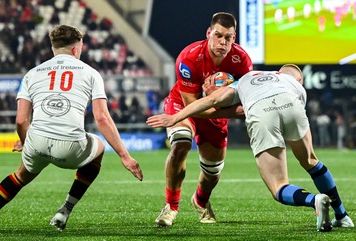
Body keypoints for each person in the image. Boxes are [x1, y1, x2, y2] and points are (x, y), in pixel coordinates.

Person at [0, 25, 143, 234]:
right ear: (76, 49)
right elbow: (102, 117)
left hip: (37, 141)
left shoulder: (32, 74)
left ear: (53, 48)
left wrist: (25, 142)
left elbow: (21, 119)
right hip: (71, 148)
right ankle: (65, 210)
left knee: (21, 175)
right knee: (98, 146)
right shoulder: (91, 73)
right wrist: (125, 155)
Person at [146, 64, 354, 231]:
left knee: (278, 185)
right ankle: (342, 215)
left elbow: (212, 100)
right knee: (311, 161)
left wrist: (175, 116)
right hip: (292, 103)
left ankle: (314, 200)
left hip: (261, 110)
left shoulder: (242, 80)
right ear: (296, 77)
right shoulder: (292, 83)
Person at [154, 12, 253, 227]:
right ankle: (170, 207)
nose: (223, 42)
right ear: (208, 33)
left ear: (233, 38)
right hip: (183, 105)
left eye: (228, 37)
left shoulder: (242, 61)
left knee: (212, 173)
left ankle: (200, 200)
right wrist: (217, 103)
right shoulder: (189, 57)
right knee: (180, 144)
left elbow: (246, 107)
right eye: (218, 35)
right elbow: (192, 107)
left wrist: (216, 101)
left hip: (215, 112)